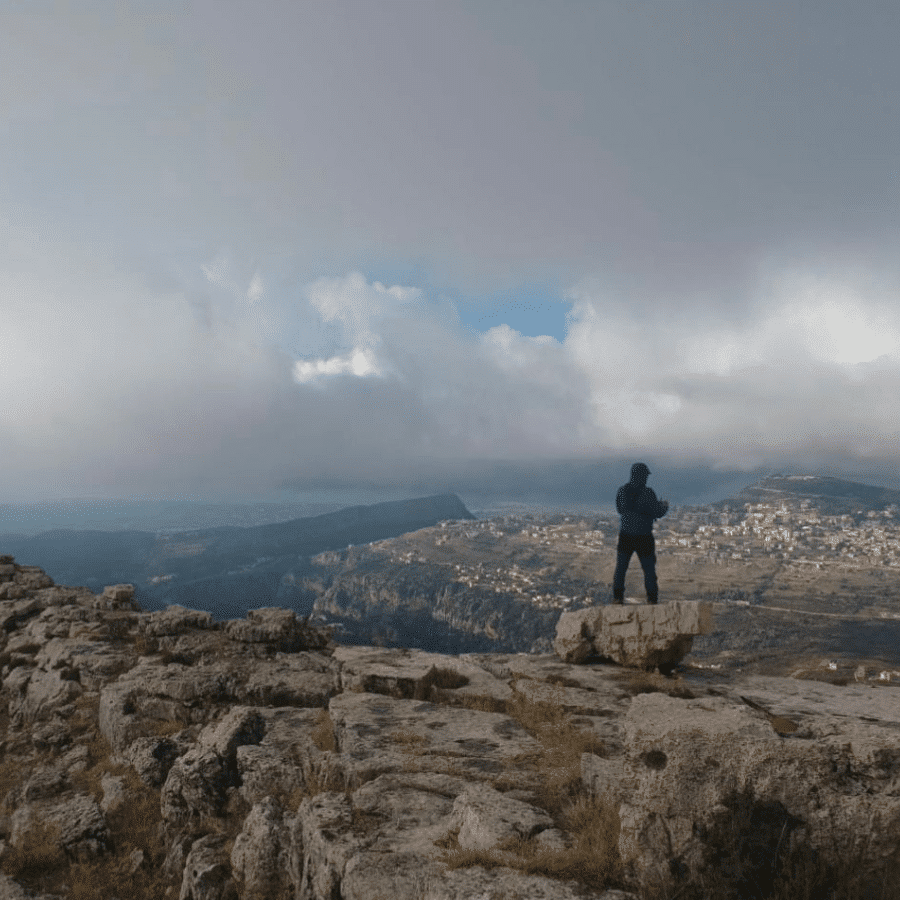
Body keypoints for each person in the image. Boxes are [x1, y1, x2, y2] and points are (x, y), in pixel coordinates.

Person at [612, 462, 669, 604]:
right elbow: (657, 512)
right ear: (643, 476)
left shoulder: (622, 491)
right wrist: (664, 507)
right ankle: (652, 600)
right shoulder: (648, 493)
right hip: (644, 536)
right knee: (649, 570)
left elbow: (619, 509)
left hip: (625, 535)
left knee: (621, 568)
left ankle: (617, 598)